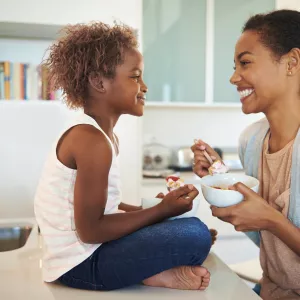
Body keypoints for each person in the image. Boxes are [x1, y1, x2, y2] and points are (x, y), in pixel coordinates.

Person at [34, 22, 212, 291]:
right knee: (196, 235)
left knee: (189, 228)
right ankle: (153, 272)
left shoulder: (102, 137)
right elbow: (91, 230)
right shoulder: (91, 141)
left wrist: (160, 213)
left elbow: (107, 208)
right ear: (98, 82)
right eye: (135, 76)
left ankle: (156, 269)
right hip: (80, 266)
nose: (145, 87)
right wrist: (160, 212)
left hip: (88, 255)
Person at [191, 9, 300, 299]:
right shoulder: (252, 140)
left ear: (292, 63)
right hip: (270, 290)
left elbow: (269, 223)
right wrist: (221, 181)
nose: (234, 77)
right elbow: (265, 239)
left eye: (245, 63)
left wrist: (271, 219)